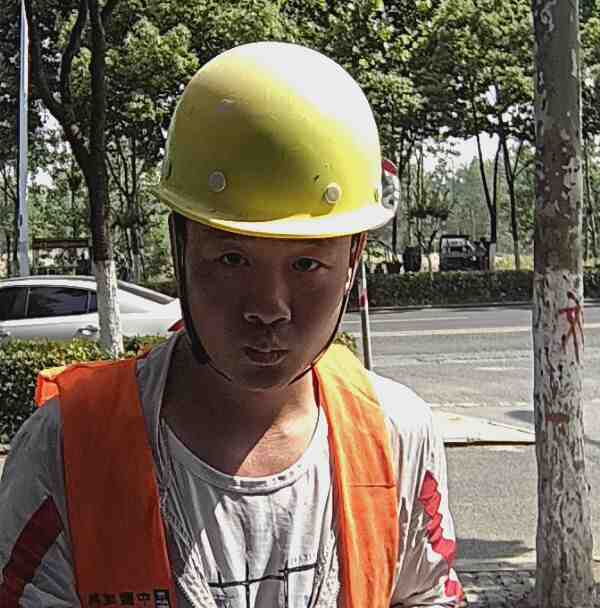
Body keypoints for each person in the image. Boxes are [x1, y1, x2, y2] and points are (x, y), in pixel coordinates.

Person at [0, 42, 463, 608]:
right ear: (180, 244)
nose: (268, 307)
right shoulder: (65, 449)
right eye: (232, 259)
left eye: (306, 264)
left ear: (354, 257)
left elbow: (426, 593)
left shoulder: (396, 434)